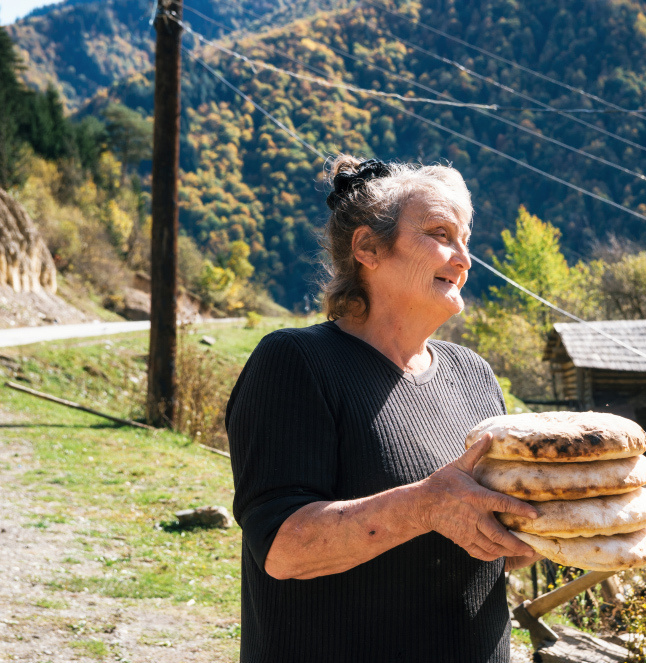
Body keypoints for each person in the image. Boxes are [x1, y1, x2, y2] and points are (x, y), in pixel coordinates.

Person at [225, 156, 542, 663]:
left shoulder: (475, 376)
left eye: (466, 241)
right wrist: (425, 505)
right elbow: (283, 549)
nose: (463, 259)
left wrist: (521, 538)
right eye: (441, 234)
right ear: (368, 247)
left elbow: (475, 538)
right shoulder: (296, 363)